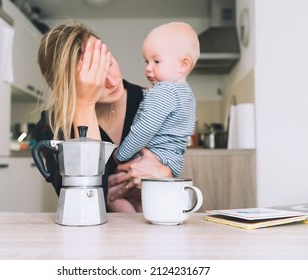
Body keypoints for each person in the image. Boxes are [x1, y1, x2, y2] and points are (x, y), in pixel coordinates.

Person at [34, 19, 172, 212]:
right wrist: (84, 104)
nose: (111, 80)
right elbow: (85, 204)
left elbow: (175, 185)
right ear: (65, 88)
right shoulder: (51, 126)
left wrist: (165, 176)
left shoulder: (153, 102)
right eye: (93, 76)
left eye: (107, 62)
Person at [108, 22, 200, 212]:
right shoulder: (187, 94)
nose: (148, 68)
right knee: (146, 202)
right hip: (170, 163)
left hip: (153, 157)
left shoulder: (164, 92)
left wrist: (121, 154)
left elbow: (144, 129)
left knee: (110, 193)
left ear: (183, 64)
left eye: (156, 61)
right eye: (146, 61)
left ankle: (129, 227)